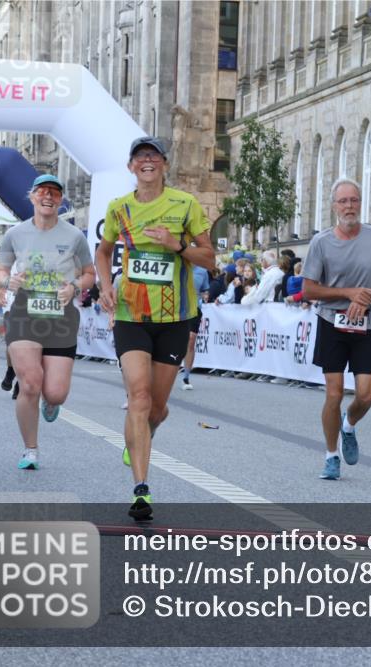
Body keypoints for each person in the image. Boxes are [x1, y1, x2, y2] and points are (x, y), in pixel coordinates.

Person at [96, 136, 214, 520]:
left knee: (158, 410)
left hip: (175, 318)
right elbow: (103, 250)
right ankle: (141, 489)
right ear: (131, 167)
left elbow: (210, 259)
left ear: (164, 164)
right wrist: (105, 284)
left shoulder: (186, 205)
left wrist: (176, 245)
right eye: (139, 157)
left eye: (153, 156)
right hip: (131, 316)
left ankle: (140, 437)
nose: (146, 162)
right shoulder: (119, 208)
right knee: (140, 396)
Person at [0, 174, 96, 470]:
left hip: (60, 315)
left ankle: (51, 403)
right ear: (32, 197)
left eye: (54, 193)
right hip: (25, 309)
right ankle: (31, 450)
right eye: (42, 192)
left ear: (60, 200)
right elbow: (1, 269)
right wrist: (6, 280)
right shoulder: (15, 233)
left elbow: (89, 273)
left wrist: (74, 286)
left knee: (55, 392)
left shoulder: (74, 236)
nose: (48, 197)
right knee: (30, 383)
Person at [301, 177, 371, 481]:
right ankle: (331, 456)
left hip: (366, 322)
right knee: (333, 393)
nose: (349, 206)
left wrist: (366, 296)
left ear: (360, 203)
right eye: (343, 201)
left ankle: (349, 425)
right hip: (332, 322)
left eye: (354, 200)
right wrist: (347, 293)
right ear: (333, 206)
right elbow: (308, 290)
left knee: (367, 396)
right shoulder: (321, 242)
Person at [180, 262, 211, 390]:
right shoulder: (179, 266)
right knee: (177, 340)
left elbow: (205, 290)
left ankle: (186, 377)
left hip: (194, 309)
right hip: (177, 307)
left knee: (191, 339)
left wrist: (205, 296)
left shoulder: (202, 271)